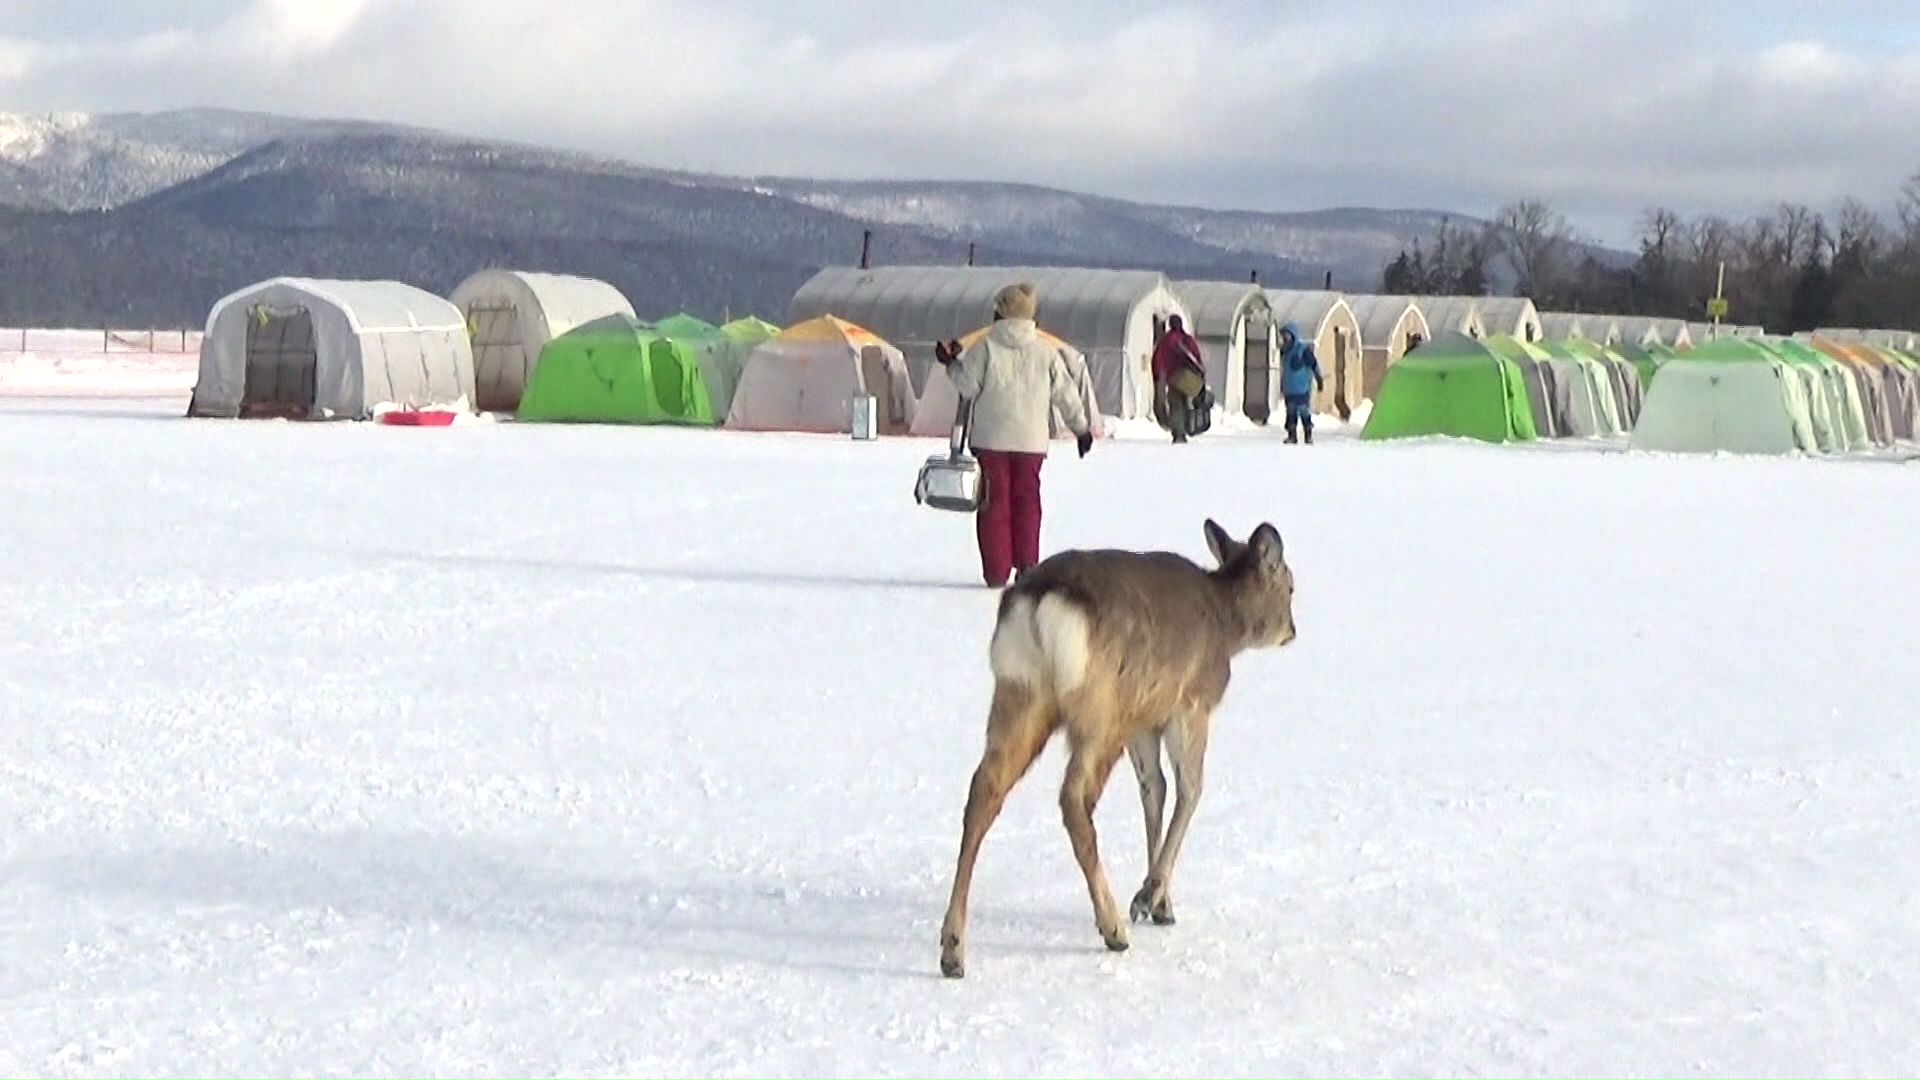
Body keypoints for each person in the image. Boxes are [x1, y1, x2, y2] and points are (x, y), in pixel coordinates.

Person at [935, 283, 1095, 588]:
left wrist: (950, 364)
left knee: (994, 503)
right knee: (1027, 503)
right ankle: (1028, 568)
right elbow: (1066, 394)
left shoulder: (984, 348)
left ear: (1001, 312)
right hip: (1031, 442)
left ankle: (997, 571)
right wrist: (1081, 428)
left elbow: (967, 387)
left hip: (991, 441)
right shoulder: (1044, 352)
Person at [1151, 315, 1207, 443]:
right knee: (1186, 403)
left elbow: (1158, 358)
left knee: (1175, 404)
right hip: (1188, 377)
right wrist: (1200, 374)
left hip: (1173, 377)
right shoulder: (1187, 339)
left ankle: (1178, 432)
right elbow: (1197, 357)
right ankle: (1187, 428)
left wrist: (1158, 375)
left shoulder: (1166, 340)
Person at [1278, 320, 1325, 444]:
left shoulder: (1303, 350)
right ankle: (1292, 436)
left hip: (1302, 388)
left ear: (1293, 335)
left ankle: (1308, 435)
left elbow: (1314, 364)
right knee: (1290, 412)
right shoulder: (1284, 352)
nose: (1285, 338)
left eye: (1287, 335)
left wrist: (1319, 378)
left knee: (1304, 411)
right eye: (1283, 336)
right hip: (1289, 388)